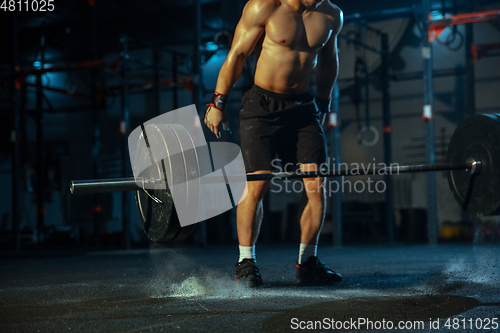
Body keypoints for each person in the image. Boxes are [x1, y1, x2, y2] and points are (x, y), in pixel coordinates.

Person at [204, 0, 343, 287]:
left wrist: (325, 100)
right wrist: (218, 102)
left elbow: (329, 60)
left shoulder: (331, 14)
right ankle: (246, 262)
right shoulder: (264, 7)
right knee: (257, 183)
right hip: (262, 106)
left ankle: (307, 263)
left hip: (303, 108)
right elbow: (238, 53)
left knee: (316, 184)